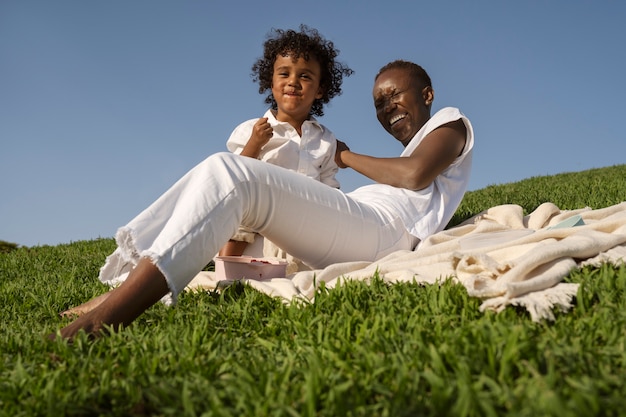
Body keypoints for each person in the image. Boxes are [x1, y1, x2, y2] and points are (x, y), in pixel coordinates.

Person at [52, 58, 474, 340]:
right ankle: (117, 294)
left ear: (427, 95)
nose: (388, 108)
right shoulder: (408, 149)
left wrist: (342, 155)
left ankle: (104, 322)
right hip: (363, 224)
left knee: (231, 173)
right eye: (380, 103)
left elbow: (415, 174)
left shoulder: (449, 123)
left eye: (395, 95)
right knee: (226, 181)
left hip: (386, 230)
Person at [219, 26, 350, 257]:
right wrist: (254, 143)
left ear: (320, 89)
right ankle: (227, 263)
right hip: (262, 211)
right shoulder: (251, 129)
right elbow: (235, 176)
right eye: (284, 73)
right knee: (243, 209)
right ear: (271, 82)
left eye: (305, 76)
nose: (293, 81)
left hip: (306, 214)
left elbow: (330, 186)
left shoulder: (326, 139)